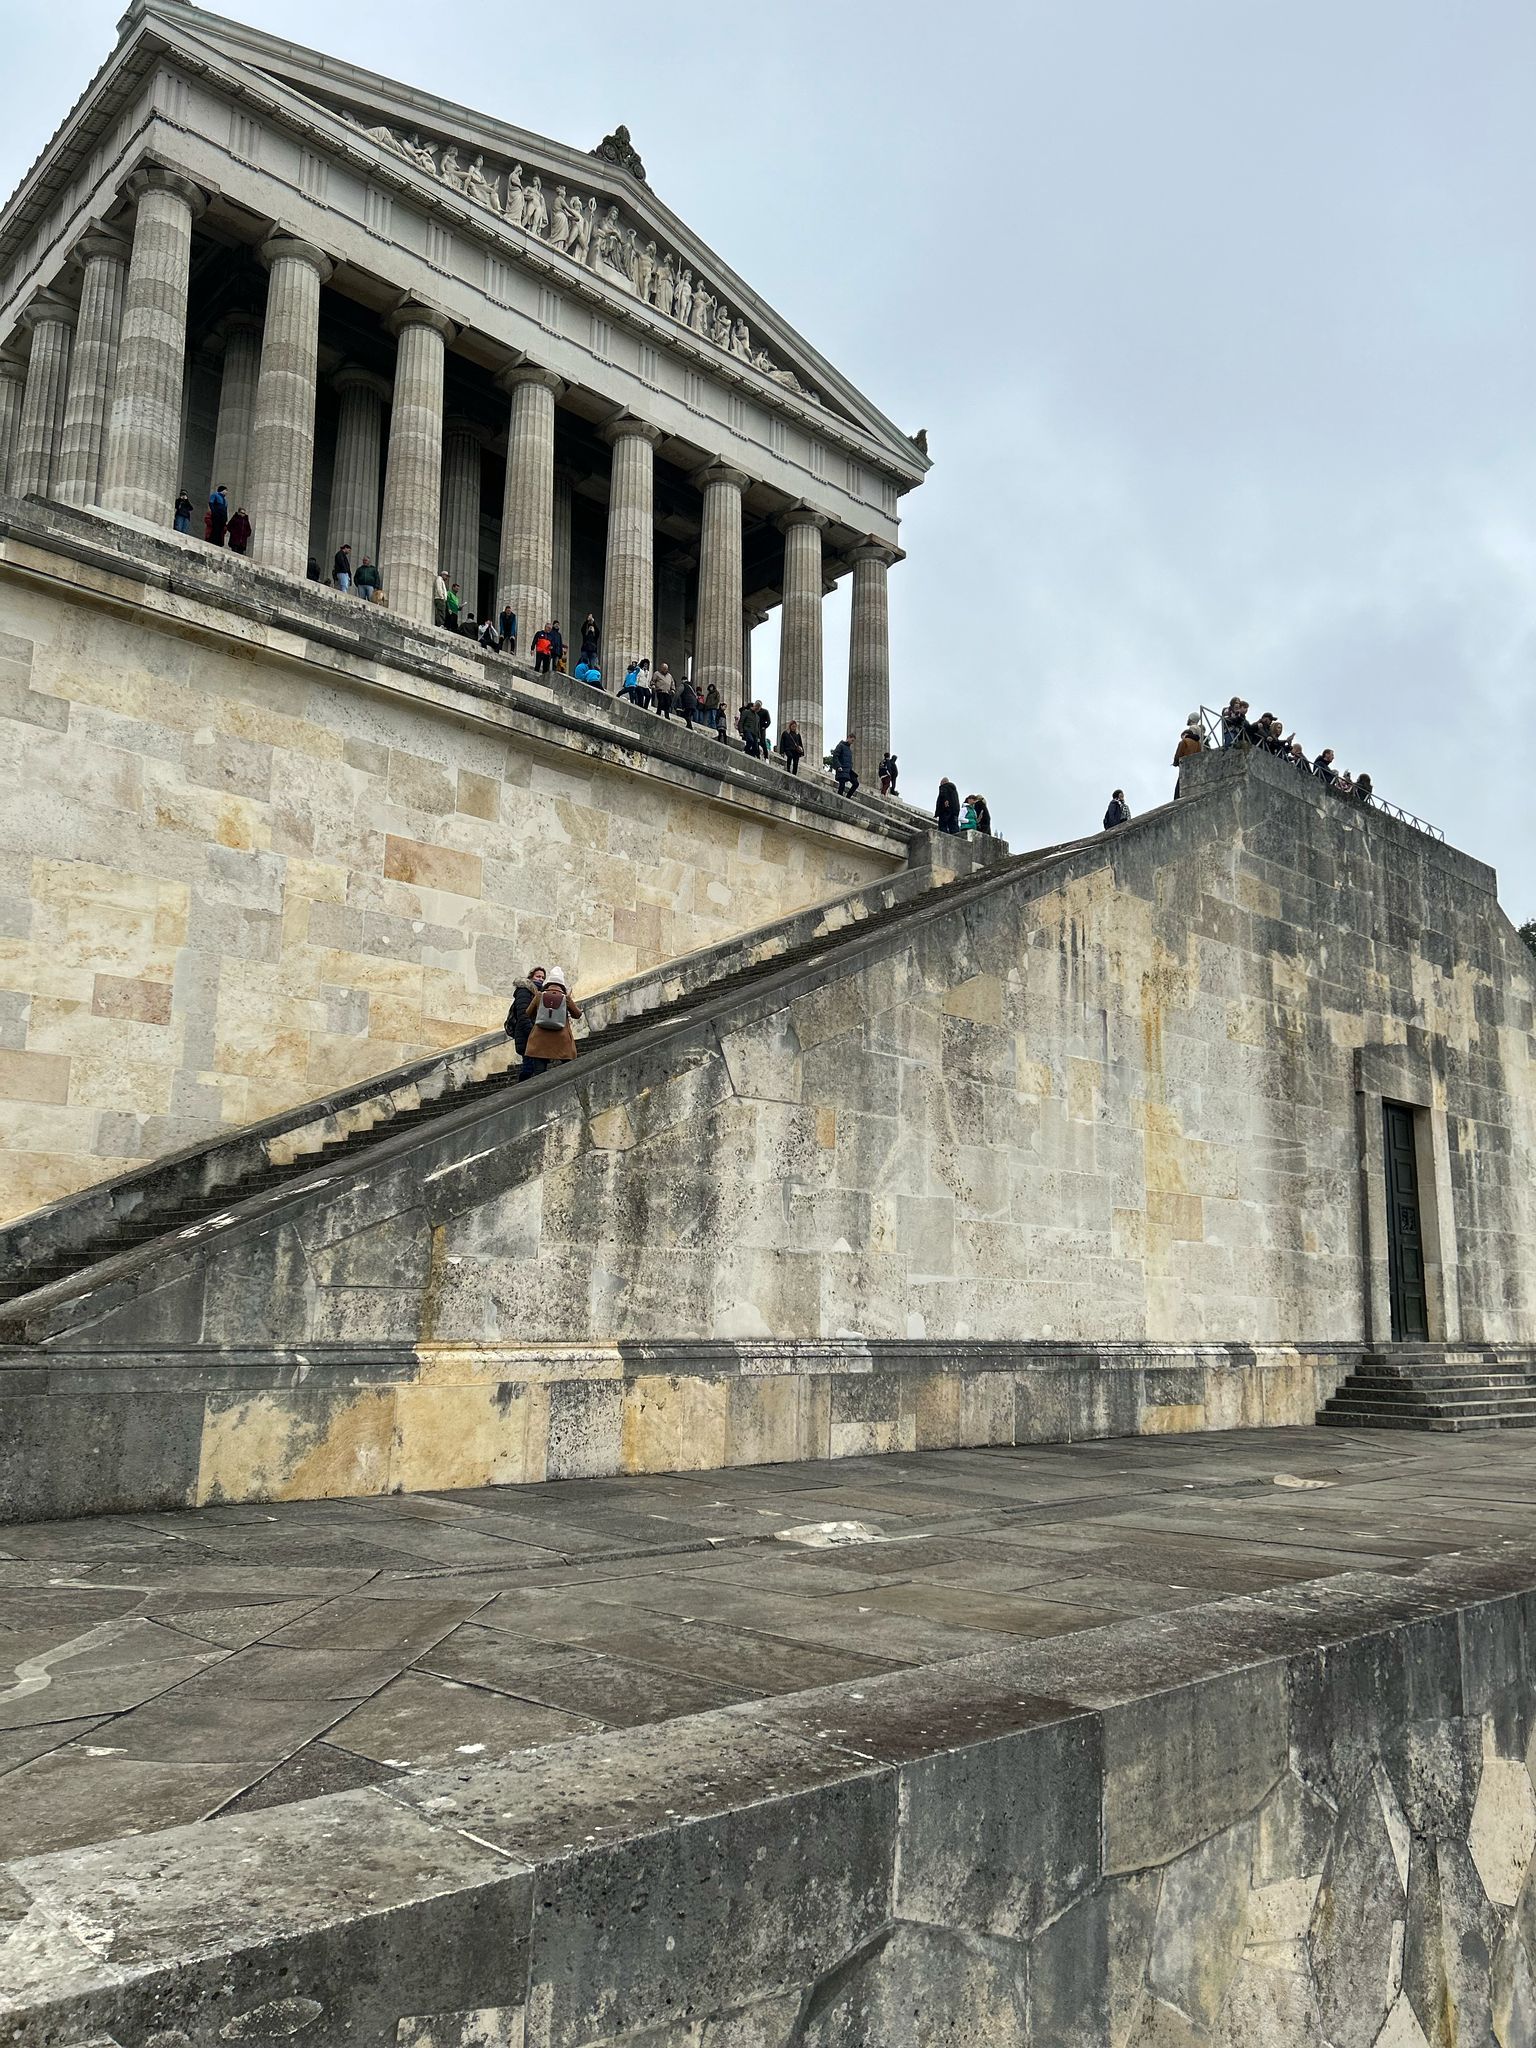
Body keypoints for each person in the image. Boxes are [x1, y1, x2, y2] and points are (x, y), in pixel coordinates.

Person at [519, 965, 583, 1080]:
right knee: (568, 1071)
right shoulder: (566, 998)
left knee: (539, 1073)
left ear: (548, 982)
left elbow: (528, 1013)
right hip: (562, 1040)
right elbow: (577, 1015)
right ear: (561, 983)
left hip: (539, 1040)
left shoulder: (539, 995)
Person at [504, 966, 547, 1056]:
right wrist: (532, 1032)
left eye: (543, 978)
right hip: (526, 1034)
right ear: (531, 977)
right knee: (529, 1065)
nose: (541, 979)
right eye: (538, 976)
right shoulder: (524, 991)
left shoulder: (539, 992)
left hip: (533, 1035)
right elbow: (523, 1014)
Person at [1172, 725, 1201, 797]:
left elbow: (1178, 754)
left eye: (1182, 736)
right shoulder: (1198, 744)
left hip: (1185, 765)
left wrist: (1175, 763)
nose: (1182, 738)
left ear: (1185, 735)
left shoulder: (1184, 741)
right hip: (1195, 766)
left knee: (1178, 789)